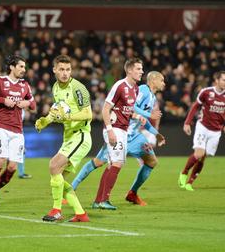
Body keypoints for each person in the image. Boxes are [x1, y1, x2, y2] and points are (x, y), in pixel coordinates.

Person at [72, 71, 166, 208]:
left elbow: (143, 119)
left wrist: (156, 133)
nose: (164, 83)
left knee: (151, 161)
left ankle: (132, 193)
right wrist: (147, 114)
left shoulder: (152, 97)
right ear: (154, 80)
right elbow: (131, 107)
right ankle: (72, 188)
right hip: (122, 131)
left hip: (135, 136)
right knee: (98, 162)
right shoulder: (143, 90)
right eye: (162, 80)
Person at [35, 54, 92, 223]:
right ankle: (80, 213)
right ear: (54, 70)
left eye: (68, 69)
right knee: (57, 177)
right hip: (68, 138)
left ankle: (56, 210)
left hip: (81, 135)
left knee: (53, 165)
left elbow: (88, 114)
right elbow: (57, 112)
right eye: (61, 69)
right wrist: (45, 121)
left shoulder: (78, 88)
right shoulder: (55, 88)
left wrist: (67, 117)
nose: (65, 73)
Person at [0, 55, 36, 206]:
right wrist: (2, 100)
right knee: (0, 160)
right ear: (12, 67)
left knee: (12, 167)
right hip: (1, 127)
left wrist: (26, 103)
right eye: (21, 66)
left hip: (18, 130)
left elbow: (33, 104)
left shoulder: (25, 85)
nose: (24, 70)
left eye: (24, 67)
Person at [91, 58, 145, 210]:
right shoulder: (119, 86)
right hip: (114, 129)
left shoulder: (136, 89)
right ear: (129, 70)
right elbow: (105, 109)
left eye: (142, 69)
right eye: (138, 69)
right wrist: (110, 131)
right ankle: (104, 200)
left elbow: (126, 111)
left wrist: (137, 116)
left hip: (123, 129)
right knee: (117, 163)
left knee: (111, 165)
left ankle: (98, 200)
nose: (142, 71)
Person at [178, 71, 225, 191]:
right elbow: (195, 106)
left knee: (203, 157)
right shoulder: (206, 92)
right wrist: (187, 122)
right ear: (217, 80)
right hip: (203, 127)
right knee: (199, 153)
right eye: (223, 80)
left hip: (216, 131)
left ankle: (190, 182)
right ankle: (184, 173)